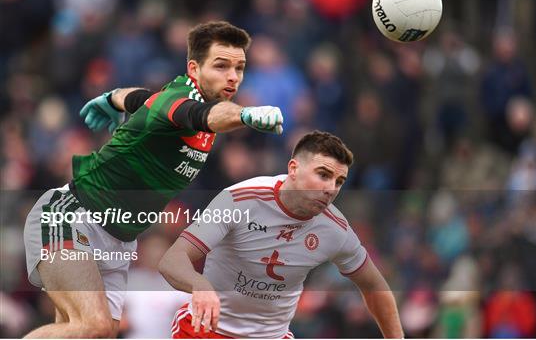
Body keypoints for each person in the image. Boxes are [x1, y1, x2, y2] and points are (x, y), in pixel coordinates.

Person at [23, 21, 284, 338]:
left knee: (92, 333)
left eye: (239, 68)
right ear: (194, 68)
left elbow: (142, 99)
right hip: (72, 216)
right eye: (221, 65)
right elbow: (201, 116)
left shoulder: (170, 100)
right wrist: (245, 115)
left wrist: (112, 97)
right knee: (95, 326)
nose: (233, 76)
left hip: (118, 240)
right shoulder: (188, 104)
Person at [159, 131, 404, 338]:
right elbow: (172, 260)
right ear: (293, 169)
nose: (331, 189)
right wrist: (200, 285)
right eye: (323, 175)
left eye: (339, 181)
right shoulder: (237, 200)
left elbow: (374, 286)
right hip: (206, 330)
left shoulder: (335, 229)